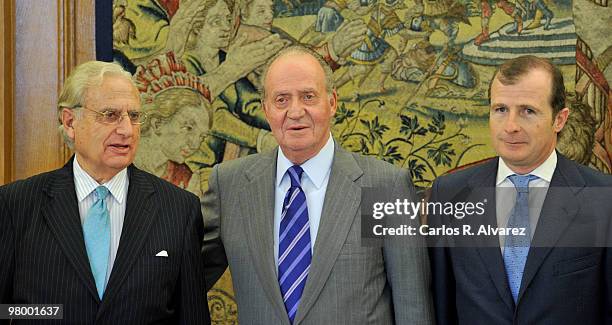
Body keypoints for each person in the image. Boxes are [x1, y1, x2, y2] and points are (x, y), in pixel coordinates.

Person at [202, 45, 434, 324]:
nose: (295, 111)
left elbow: (413, 308)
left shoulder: (385, 185)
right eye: (281, 100)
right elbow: (176, 278)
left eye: (308, 96)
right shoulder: (230, 185)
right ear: (266, 110)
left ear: (332, 102)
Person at [0, 61, 210, 324]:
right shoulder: (15, 205)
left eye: (133, 116)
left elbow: (192, 317)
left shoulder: (179, 209)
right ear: (69, 122)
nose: (126, 130)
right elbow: (5, 310)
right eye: (110, 115)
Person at [428, 56, 612, 324]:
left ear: (559, 119)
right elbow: (441, 304)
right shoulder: (450, 193)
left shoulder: (602, 199)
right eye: (500, 109)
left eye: (528, 111)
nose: (511, 125)